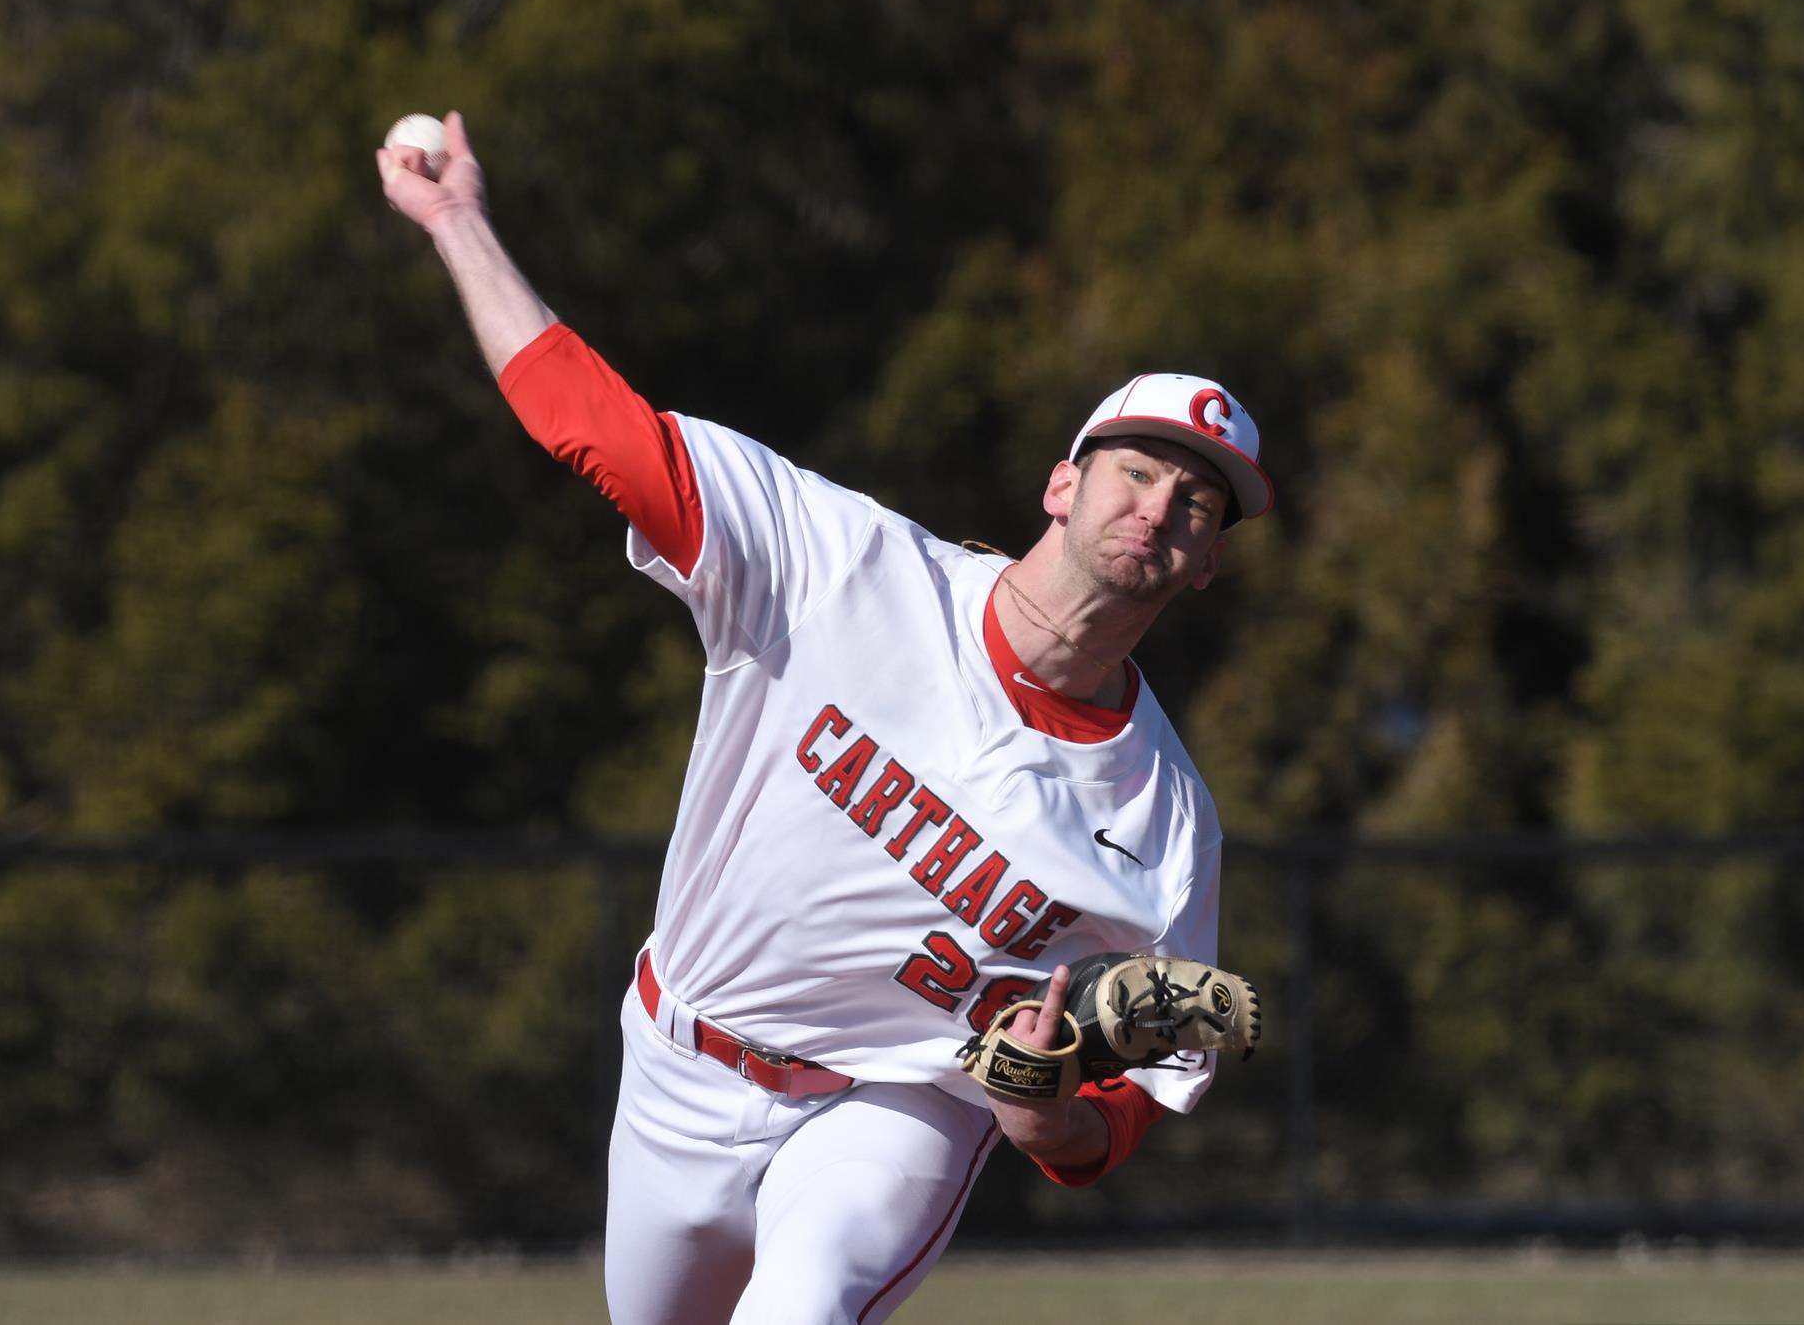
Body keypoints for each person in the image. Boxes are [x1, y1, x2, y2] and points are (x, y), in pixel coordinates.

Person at [380, 112, 1274, 1325]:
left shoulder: (1165, 822)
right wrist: (459, 224)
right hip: (681, 1055)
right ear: (1062, 483)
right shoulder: (835, 564)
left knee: (800, 1310)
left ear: (1206, 563)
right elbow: (588, 422)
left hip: (894, 1109)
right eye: (1138, 469)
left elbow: (1134, 1098)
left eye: (1200, 504)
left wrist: (1051, 1117)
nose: (1163, 507)